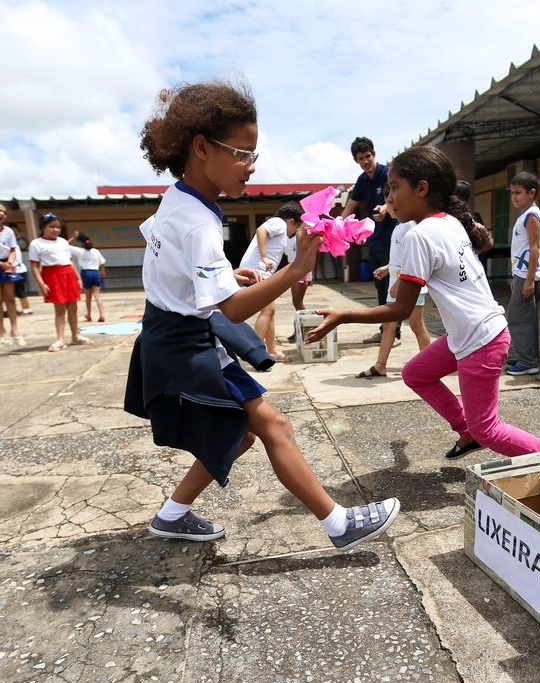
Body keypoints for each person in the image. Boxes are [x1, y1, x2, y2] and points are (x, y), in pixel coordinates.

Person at [124, 81, 399, 547]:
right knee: (274, 425)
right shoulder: (199, 223)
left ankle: (172, 514)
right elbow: (230, 310)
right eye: (243, 153)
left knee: (244, 433)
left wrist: (228, 273)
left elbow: (180, 269)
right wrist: (298, 267)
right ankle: (338, 525)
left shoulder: (179, 200)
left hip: (169, 333)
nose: (252, 166)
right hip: (186, 341)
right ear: (201, 148)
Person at [305, 145, 540, 464]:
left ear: (422, 189)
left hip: (480, 340)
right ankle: (466, 430)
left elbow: (399, 310)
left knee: (489, 430)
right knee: (416, 373)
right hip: (475, 332)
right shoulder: (447, 221)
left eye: (395, 188)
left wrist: (344, 315)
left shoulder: (421, 235)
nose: (389, 198)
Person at [359, 186, 432, 379]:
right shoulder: (399, 227)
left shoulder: (410, 226)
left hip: (409, 285)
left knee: (417, 325)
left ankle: (431, 366)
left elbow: (413, 260)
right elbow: (401, 258)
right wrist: (387, 268)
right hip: (398, 282)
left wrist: (397, 283)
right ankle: (380, 365)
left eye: (392, 203)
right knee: (389, 325)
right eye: (388, 202)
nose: (390, 207)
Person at [341, 137, 399, 345]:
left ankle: (394, 332)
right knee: (380, 286)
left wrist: (385, 207)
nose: (365, 161)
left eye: (368, 156)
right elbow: (351, 205)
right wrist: (339, 223)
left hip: (392, 238)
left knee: (394, 285)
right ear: (356, 161)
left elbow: (393, 197)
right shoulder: (362, 180)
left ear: (374, 153)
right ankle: (385, 330)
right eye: (361, 158)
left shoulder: (388, 173)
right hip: (374, 240)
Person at [240, 203, 302, 362]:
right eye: (297, 226)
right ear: (291, 221)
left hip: (260, 272)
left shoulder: (282, 232)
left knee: (270, 310)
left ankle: (272, 350)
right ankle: (256, 352)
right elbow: (261, 230)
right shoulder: (279, 223)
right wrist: (264, 256)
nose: (295, 231)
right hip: (256, 271)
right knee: (268, 309)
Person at [29, 213, 91, 352]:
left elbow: (69, 261)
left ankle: (76, 336)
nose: (56, 230)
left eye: (57, 227)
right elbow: (34, 266)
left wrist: (78, 278)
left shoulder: (63, 241)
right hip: (52, 276)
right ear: (43, 227)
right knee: (59, 310)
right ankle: (60, 339)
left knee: (73, 308)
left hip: (68, 274)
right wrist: (41, 284)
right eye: (52, 227)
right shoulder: (36, 243)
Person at [505, 171, 540, 376]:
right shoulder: (525, 215)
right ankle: (528, 358)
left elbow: (534, 248)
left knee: (518, 318)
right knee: (525, 318)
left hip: (529, 276)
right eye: (512, 193)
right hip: (522, 275)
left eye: (518, 192)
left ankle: (529, 362)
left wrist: (529, 279)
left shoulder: (531, 215)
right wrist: (518, 277)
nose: (514, 196)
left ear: (532, 193)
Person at [283, 227, 313, 344]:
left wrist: (308, 273)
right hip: (293, 269)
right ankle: (299, 331)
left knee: (298, 302)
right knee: (295, 302)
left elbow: (308, 253)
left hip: (301, 269)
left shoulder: (299, 235)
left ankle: (308, 329)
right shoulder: (288, 236)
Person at [0, 203, 25, 346]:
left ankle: (14, 330)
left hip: (7, 266)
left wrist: (9, 263)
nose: (1, 213)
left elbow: (13, 249)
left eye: (3, 211)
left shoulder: (8, 231)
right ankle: (2, 331)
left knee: (10, 298)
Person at [69, 231, 107, 322]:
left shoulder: (79, 251)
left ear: (80, 242)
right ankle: (102, 314)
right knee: (97, 295)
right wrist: (102, 271)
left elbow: (64, 245)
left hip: (86, 273)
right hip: (95, 273)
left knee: (88, 296)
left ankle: (89, 314)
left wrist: (73, 237)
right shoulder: (95, 251)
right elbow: (102, 263)